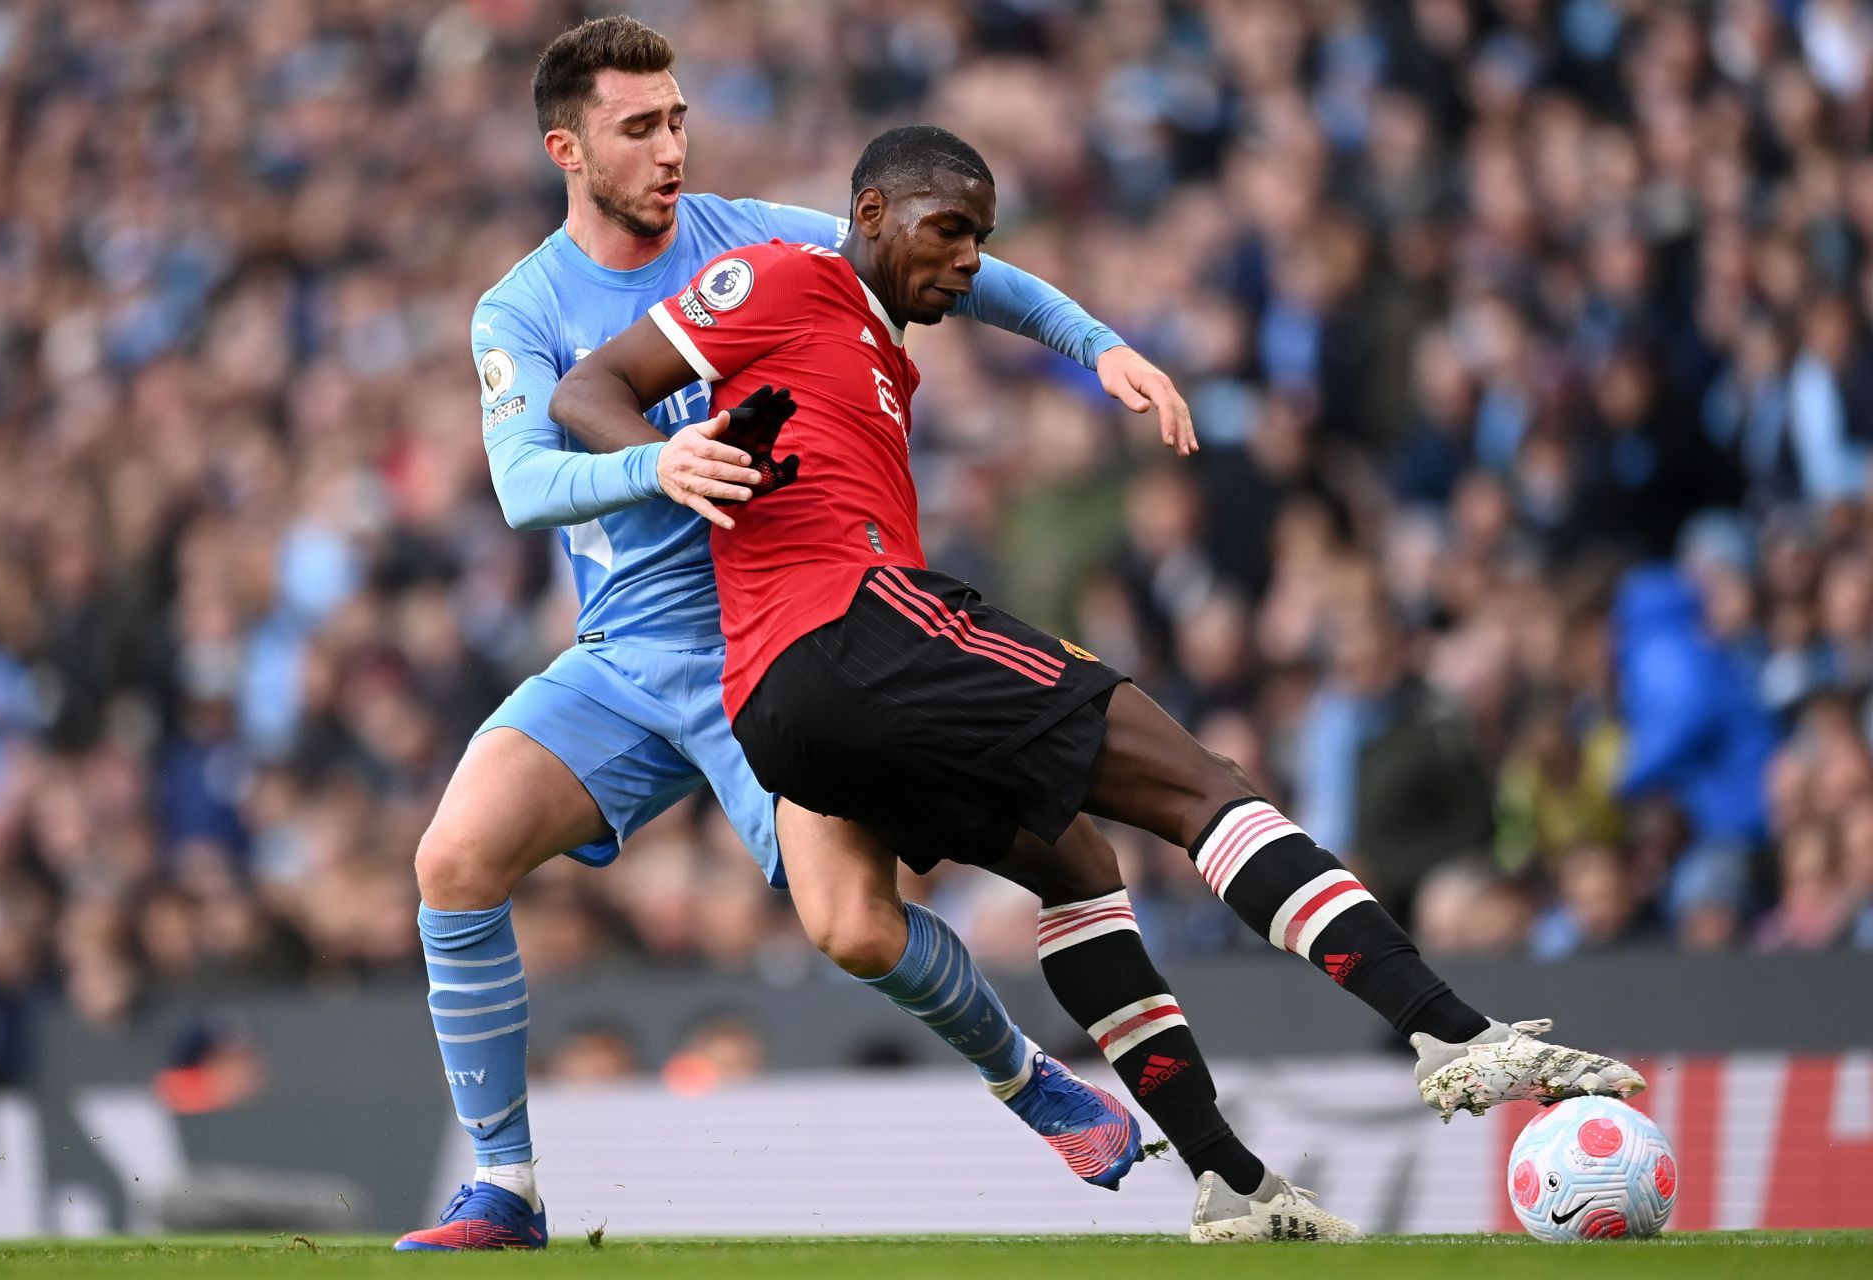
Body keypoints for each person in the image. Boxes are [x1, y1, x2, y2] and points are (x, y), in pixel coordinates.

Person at [557, 123, 1650, 1245]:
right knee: (1198, 781)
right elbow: (589, 388)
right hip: (851, 626)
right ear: (873, 214)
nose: (971, 258)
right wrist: (660, 460)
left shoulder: (881, 345)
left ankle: (1230, 1182)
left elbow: (1004, 301)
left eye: (982, 237)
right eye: (950, 229)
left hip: (790, 710)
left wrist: (1093, 344)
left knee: (1079, 863)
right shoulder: (787, 277)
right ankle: (1449, 1031)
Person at [401, 17, 1236, 1251]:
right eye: (640, 128)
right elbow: (524, 482)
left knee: (853, 928)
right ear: (566, 147)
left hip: (788, 645)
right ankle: (507, 1187)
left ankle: (1027, 1076)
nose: (673, 147)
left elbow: (948, 262)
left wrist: (1096, 345)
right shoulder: (520, 306)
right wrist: (658, 465)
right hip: (631, 653)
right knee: (450, 863)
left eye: (678, 117)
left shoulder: (761, 242)